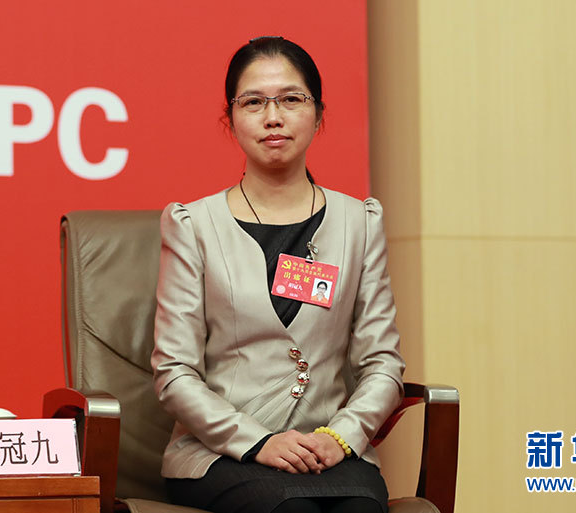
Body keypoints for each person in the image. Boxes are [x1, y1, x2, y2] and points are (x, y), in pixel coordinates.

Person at [151, 36, 405, 513]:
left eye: (291, 99)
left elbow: (383, 362)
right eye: (253, 103)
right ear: (230, 118)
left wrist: (341, 436)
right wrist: (258, 442)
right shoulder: (193, 226)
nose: (273, 117)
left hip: (327, 449)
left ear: (319, 113)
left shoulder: (360, 223)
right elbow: (173, 372)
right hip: (222, 452)